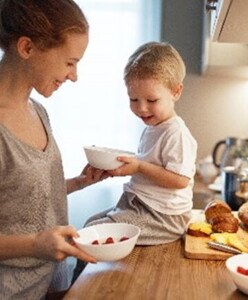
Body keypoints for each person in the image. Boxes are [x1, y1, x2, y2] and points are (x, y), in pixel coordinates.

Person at [0, 0, 109, 299]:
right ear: (26, 48)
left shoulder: (39, 111)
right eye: (70, 62)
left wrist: (78, 183)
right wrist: (35, 245)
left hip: (48, 283)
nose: (74, 76)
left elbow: (20, 199)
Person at [72, 41, 197, 282]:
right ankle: (76, 286)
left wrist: (138, 166)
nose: (141, 108)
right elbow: (151, 164)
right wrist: (125, 164)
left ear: (176, 92)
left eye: (151, 100)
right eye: (133, 99)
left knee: (89, 236)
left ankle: (76, 290)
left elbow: (181, 180)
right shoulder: (155, 127)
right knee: (89, 224)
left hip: (163, 218)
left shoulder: (176, 133)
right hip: (142, 206)